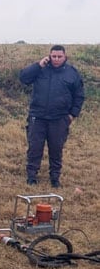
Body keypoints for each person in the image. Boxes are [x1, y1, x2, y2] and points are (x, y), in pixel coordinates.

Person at [19, 45, 85, 188]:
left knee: (56, 149)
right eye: (53, 56)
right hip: (38, 116)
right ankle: (31, 176)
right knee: (35, 148)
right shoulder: (40, 69)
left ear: (64, 57)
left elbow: (79, 96)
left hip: (60, 118)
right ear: (49, 56)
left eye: (59, 56)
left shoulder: (72, 73)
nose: (56, 59)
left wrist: (72, 115)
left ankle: (55, 178)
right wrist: (38, 65)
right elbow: (24, 78)